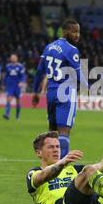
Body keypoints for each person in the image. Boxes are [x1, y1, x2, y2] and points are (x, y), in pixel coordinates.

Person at [32, 19, 89, 159]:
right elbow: (77, 73)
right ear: (65, 31)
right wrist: (88, 88)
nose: (77, 35)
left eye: (78, 32)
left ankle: (49, 166)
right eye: (74, 31)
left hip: (51, 93)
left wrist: (35, 91)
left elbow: (39, 72)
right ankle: (60, 169)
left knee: (52, 132)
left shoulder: (48, 47)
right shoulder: (71, 49)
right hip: (66, 92)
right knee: (64, 132)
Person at [2, 53, 26, 120]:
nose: (13, 59)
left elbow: (23, 76)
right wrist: (3, 84)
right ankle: (7, 114)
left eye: (14, 57)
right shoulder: (8, 66)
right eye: (12, 57)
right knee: (8, 99)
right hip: (10, 86)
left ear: (17, 58)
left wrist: (21, 82)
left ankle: (17, 116)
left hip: (17, 86)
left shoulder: (20, 66)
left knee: (18, 101)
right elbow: (5, 76)